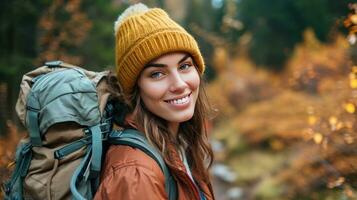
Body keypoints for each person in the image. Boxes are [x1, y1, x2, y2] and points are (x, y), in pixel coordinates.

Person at [94, 3, 215, 200]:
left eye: (185, 66)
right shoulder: (136, 173)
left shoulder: (180, 144)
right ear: (135, 88)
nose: (179, 84)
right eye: (157, 74)